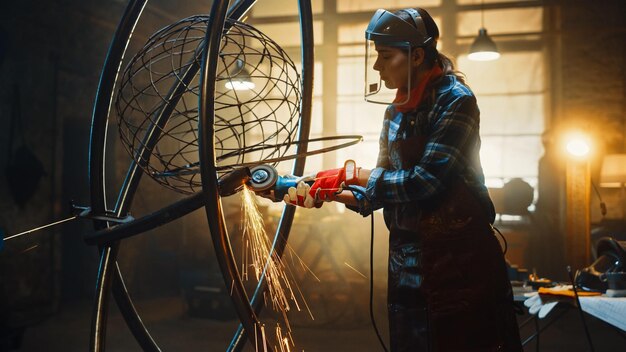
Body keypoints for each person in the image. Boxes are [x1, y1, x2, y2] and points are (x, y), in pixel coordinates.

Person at [282, 7, 522, 352]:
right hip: (406, 258)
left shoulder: (456, 101)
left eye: (385, 56)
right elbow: (379, 192)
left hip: (457, 259)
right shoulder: (394, 112)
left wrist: (356, 175)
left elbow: (426, 182)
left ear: (417, 56)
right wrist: (329, 190)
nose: (378, 67)